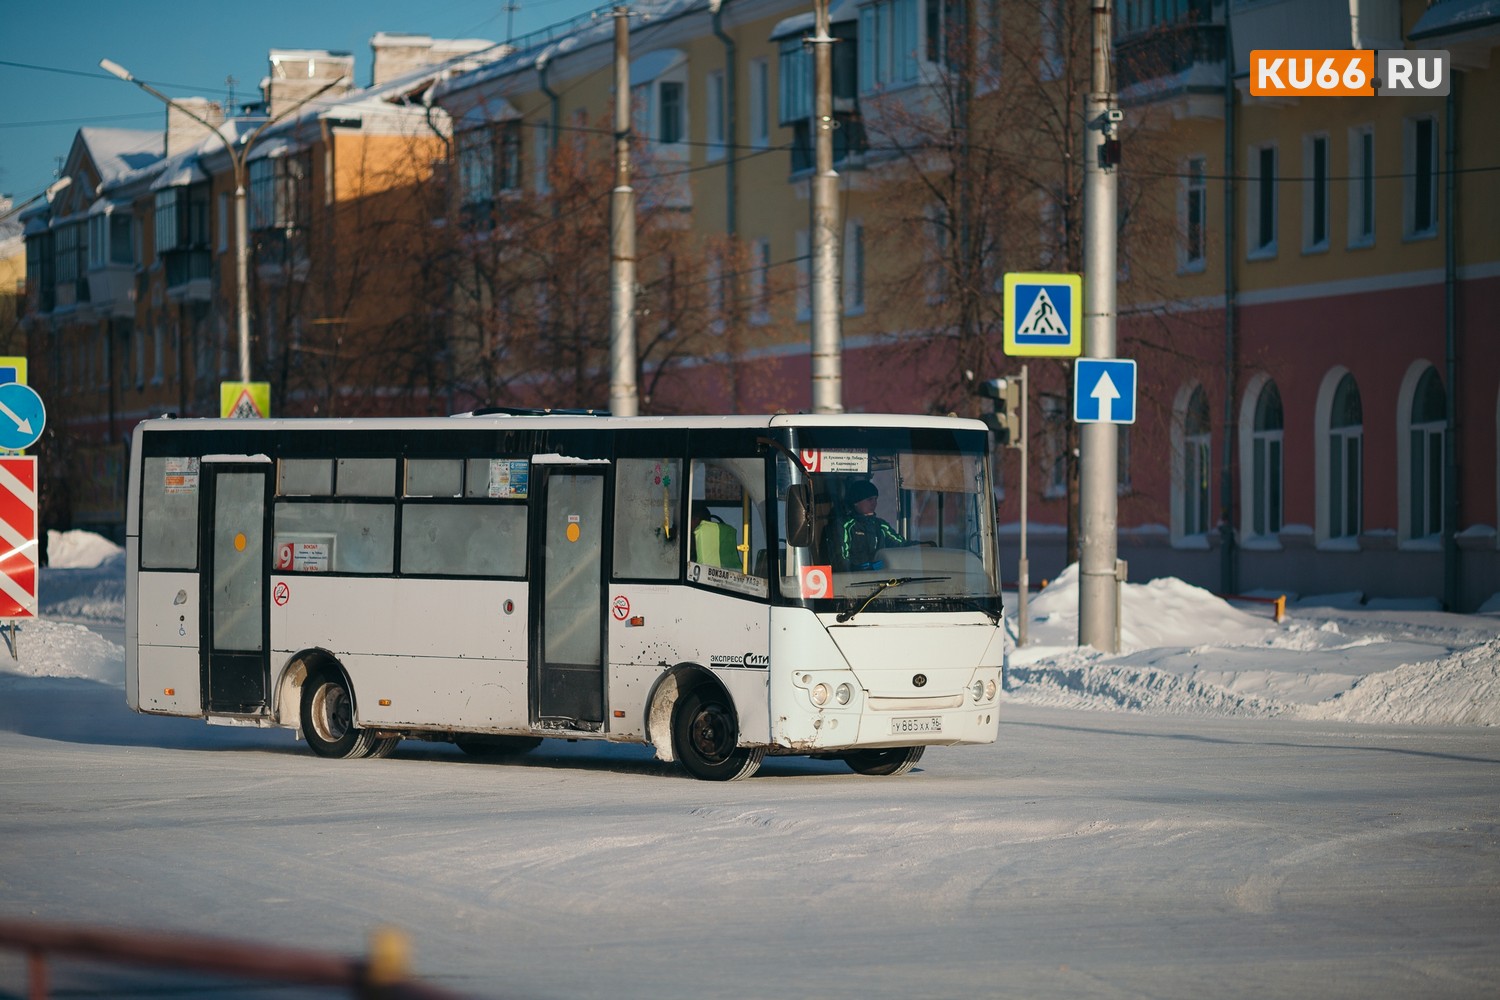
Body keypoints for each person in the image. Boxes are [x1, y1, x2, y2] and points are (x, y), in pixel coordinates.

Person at [834, 480, 907, 571]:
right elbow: (842, 560)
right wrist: (857, 570)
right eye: (869, 499)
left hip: (882, 578)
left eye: (875, 499)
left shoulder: (880, 525)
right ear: (856, 502)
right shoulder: (845, 526)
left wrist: (922, 546)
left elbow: (901, 545)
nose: (874, 503)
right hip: (855, 580)